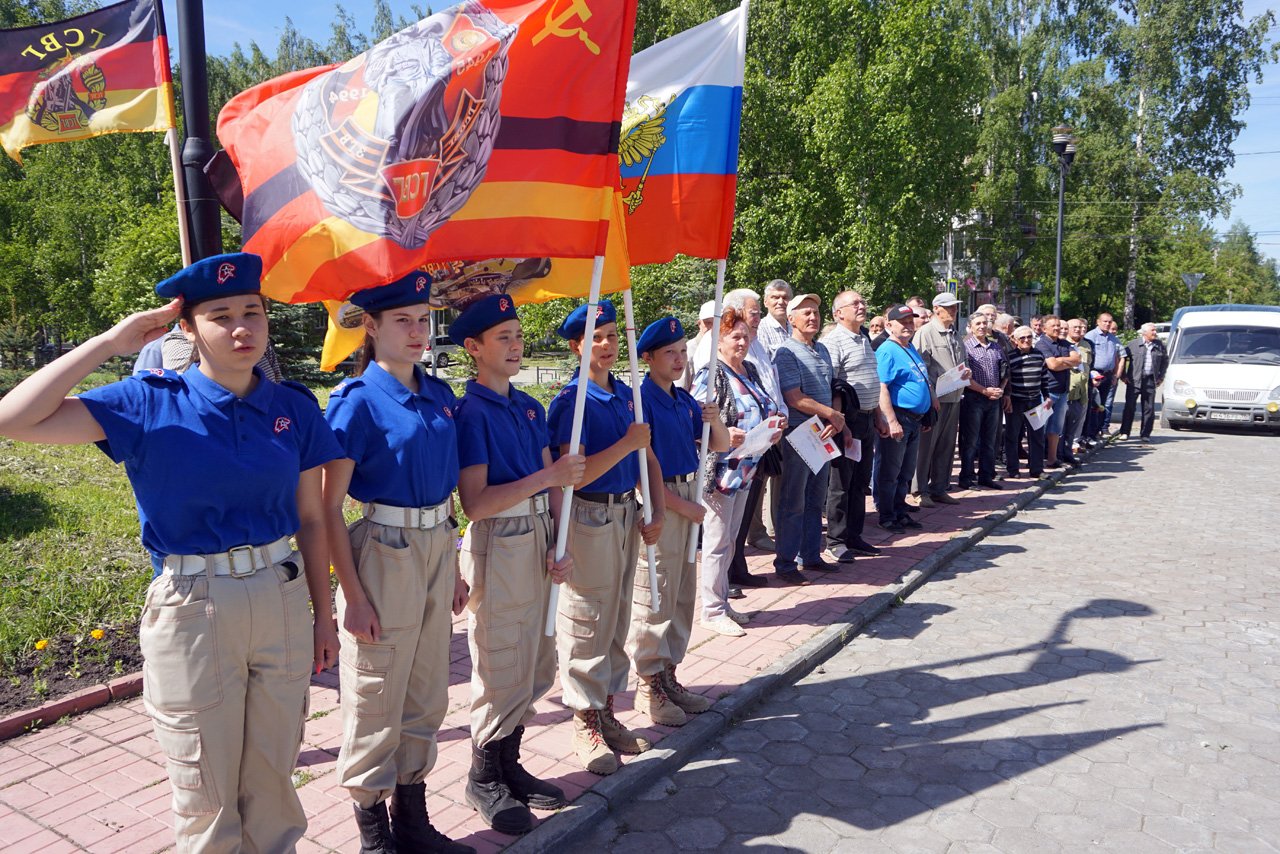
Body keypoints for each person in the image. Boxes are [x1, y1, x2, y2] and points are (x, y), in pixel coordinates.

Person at [0, 253, 343, 853]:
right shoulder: (146, 402)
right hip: (194, 607)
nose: (242, 329)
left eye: (252, 313)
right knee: (206, 794)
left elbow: (313, 520)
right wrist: (110, 341)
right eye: (220, 316)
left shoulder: (292, 409)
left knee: (274, 783)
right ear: (186, 327)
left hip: (281, 594)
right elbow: (13, 419)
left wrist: (325, 613)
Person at [321, 274, 474, 854]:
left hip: (436, 544)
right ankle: (374, 833)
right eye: (403, 321)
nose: (418, 331)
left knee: (427, 688)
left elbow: (446, 489)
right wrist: (352, 595)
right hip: (384, 551)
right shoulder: (356, 403)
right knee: (376, 691)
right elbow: (328, 508)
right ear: (372, 327)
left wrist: (455, 562)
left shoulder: (437, 395)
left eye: (423, 319)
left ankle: (413, 820)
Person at [450, 294, 583, 835]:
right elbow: (476, 503)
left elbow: (553, 479)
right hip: (500, 540)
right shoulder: (471, 412)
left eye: (518, 334)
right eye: (501, 337)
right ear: (473, 348)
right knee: (502, 659)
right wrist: (548, 483)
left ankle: (509, 763)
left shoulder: (527, 406)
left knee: (537, 659)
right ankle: (484, 776)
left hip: (538, 535)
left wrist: (560, 539)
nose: (515, 344)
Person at [547, 299, 664, 776]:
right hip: (590, 517)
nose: (608, 345)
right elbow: (569, 477)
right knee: (587, 619)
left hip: (624, 516)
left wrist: (653, 509)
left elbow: (646, 460)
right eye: (597, 338)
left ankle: (607, 709)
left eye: (614, 336)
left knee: (617, 617)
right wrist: (626, 444)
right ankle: (583, 719)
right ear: (577, 347)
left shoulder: (622, 395)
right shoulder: (570, 403)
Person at [628, 316, 729, 724]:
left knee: (681, 593)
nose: (679, 359)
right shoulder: (642, 401)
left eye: (684, 351)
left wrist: (714, 417)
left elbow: (718, 443)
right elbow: (639, 470)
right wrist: (678, 505)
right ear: (648, 357)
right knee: (656, 592)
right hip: (662, 499)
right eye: (670, 352)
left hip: (688, 495)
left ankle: (669, 674)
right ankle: (648, 683)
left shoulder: (685, 400)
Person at [693, 308, 782, 635]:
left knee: (731, 541)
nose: (743, 342)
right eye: (735, 336)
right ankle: (711, 610)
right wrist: (723, 434)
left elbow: (764, 406)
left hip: (747, 468)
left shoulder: (751, 371)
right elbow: (694, 422)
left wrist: (773, 427)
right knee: (716, 542)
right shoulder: (711, 374)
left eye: (747, 335)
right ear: (719, 341)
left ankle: (722, 602)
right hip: (721, 474)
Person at [772, 292, 841, 583]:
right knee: (794, 501)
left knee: (816, 498)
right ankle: (786, 563)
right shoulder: (786, 352)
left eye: (815, 312)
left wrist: (835, 417)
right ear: (791, 319)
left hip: (822, 434)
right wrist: (831, 414)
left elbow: (833, 386)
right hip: (800, 435)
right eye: (805, 313)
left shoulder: (822, 349)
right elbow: (794, 397)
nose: (813, 317)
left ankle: (810, 555)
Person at [821, 290, 890, 561]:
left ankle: (854, 535)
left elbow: (871, 380)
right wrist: (842, 422)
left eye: (863, 302)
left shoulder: (863, 338)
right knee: (840, 482)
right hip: (845, 421)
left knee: (860, 480)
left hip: (866, 419)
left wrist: (877, 415)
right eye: (856, 303)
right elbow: (834, 385)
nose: (862, 306)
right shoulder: (834, 341)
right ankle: (836, 540)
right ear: (839, 313)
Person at [722, 287, 781, 583]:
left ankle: (738, 568)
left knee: (742, 517)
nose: (757, 318)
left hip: (758, 446)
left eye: (758, 313)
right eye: (753, 312)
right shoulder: (719, 353)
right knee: (724, 528)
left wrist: (776, 416)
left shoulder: (757, 346)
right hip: (729, 456)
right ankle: (726, 578)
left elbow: (769, 386)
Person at [874, 304, 931, 534]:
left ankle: (899, 510)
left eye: (910, 322)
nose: (908, 326)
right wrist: (891, 420)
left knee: (906, 471)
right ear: (889, 325)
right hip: (899, 417)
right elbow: (882, 388)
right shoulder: (887, 350)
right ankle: (887, 515)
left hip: (914, 420)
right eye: (903, 322)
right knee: (890, 471)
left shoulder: (909, 347)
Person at [911, 292, 968, 506]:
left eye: (955, 306)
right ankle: (919, 491)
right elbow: (920, 367)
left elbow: (962, 360)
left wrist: (966, 373)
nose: (953, 310)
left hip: (954, 396)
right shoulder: (925, 333)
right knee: (926, 446)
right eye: (949, 307)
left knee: (946, 445)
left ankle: (939, 487)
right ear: (936, 309)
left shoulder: (955, 333)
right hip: (935, 398)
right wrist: (931, 394)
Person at [958, 311, 1008, 490]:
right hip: (974, 398)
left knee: (990, 440)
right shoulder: (965, 347)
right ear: (970, 326)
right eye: (978, 323)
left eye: (984, 323)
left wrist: (1000, 389)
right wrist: (984, 391)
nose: (982, 326)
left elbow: (1005, 370)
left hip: (993, 399)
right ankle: (966, 477)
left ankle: (986, 475)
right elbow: (964, 377)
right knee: (970, 441)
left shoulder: (996, 347)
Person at [1034, 316, 1080, 468]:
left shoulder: (1065, 343)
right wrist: (1067, 362)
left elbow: (1077, 359)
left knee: (1056, 428)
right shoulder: (1042, 344)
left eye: (1058, 325)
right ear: (1044, 328)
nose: (1057, 328)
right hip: (1047, 392)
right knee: (1040, 426)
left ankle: (1052, 459)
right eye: (1053, 326)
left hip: (1062, 391)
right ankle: (1037, 461)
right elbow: (1052, 365)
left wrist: (1061, 361)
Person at [1004, 326, 1049, 478]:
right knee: (1013, 435)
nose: (1026, 340)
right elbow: (1006, 379)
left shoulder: (1039, 355)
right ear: (1015, 341)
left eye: (1029, 337)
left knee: (1037, 436)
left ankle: (1037, 469)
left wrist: (1047, 396)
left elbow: (1044, 377)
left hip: (1035, 400)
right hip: (1016, 400)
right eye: (1022, 338)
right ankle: (1013, 469)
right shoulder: (1010, 356)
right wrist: (1007, 396)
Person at [1119, 322, 1168, 442]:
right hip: (1134, 380)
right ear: (1145, 332)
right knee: (1130, 407)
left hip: (1150, 380)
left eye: (1155, 330)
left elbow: (1165, 361)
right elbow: (1122, 358)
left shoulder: (1160, 345)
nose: (1155, 333)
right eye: (1153, 330)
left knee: (1149, 408)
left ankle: (1145, 434)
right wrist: (1123, 375)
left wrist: (1161, 376)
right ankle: (1125, 432)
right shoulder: (1133, 344)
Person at [1084, 312, 1124, 439]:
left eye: (1109, 322)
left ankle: (1099, 431)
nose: (1107, 324)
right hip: (1095, 374)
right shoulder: (1091, 336)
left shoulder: (1113, 338)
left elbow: (1119, 356)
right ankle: (1089, 434)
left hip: (1108, 375)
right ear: (1098, 322)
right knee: (1092, 405)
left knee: (1102, 405)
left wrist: (1115, 375)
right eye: (1105, 321)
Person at [680, 300, 715, 389]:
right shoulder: (689, 349)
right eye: (708, 322)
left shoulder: (724, 349)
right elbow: (680, 388)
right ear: (699, 323)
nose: (712, 327)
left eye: (717, 323)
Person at [756, 279, 793, 356]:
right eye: (775, 297)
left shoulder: (796, 327)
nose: (780, 302)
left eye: (785, 298)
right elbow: (763, 366)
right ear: (765, 302)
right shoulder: (760, 329)